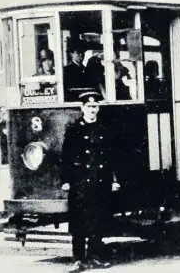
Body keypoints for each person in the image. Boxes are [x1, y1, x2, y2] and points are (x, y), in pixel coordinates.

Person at [61, 92, 118, 272]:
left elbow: (111, 157)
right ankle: (78, 259)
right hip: (80, 182)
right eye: (89, 107)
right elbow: (66, 157)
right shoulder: (74, 129)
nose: (92, 110)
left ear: (98, 108)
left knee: (98, 219)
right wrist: (66, 180)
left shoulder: (104, 129)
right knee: (79, 221)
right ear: (82, 108)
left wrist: (114, 180)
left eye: (95, 107)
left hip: (100, 181)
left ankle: (95, 257)